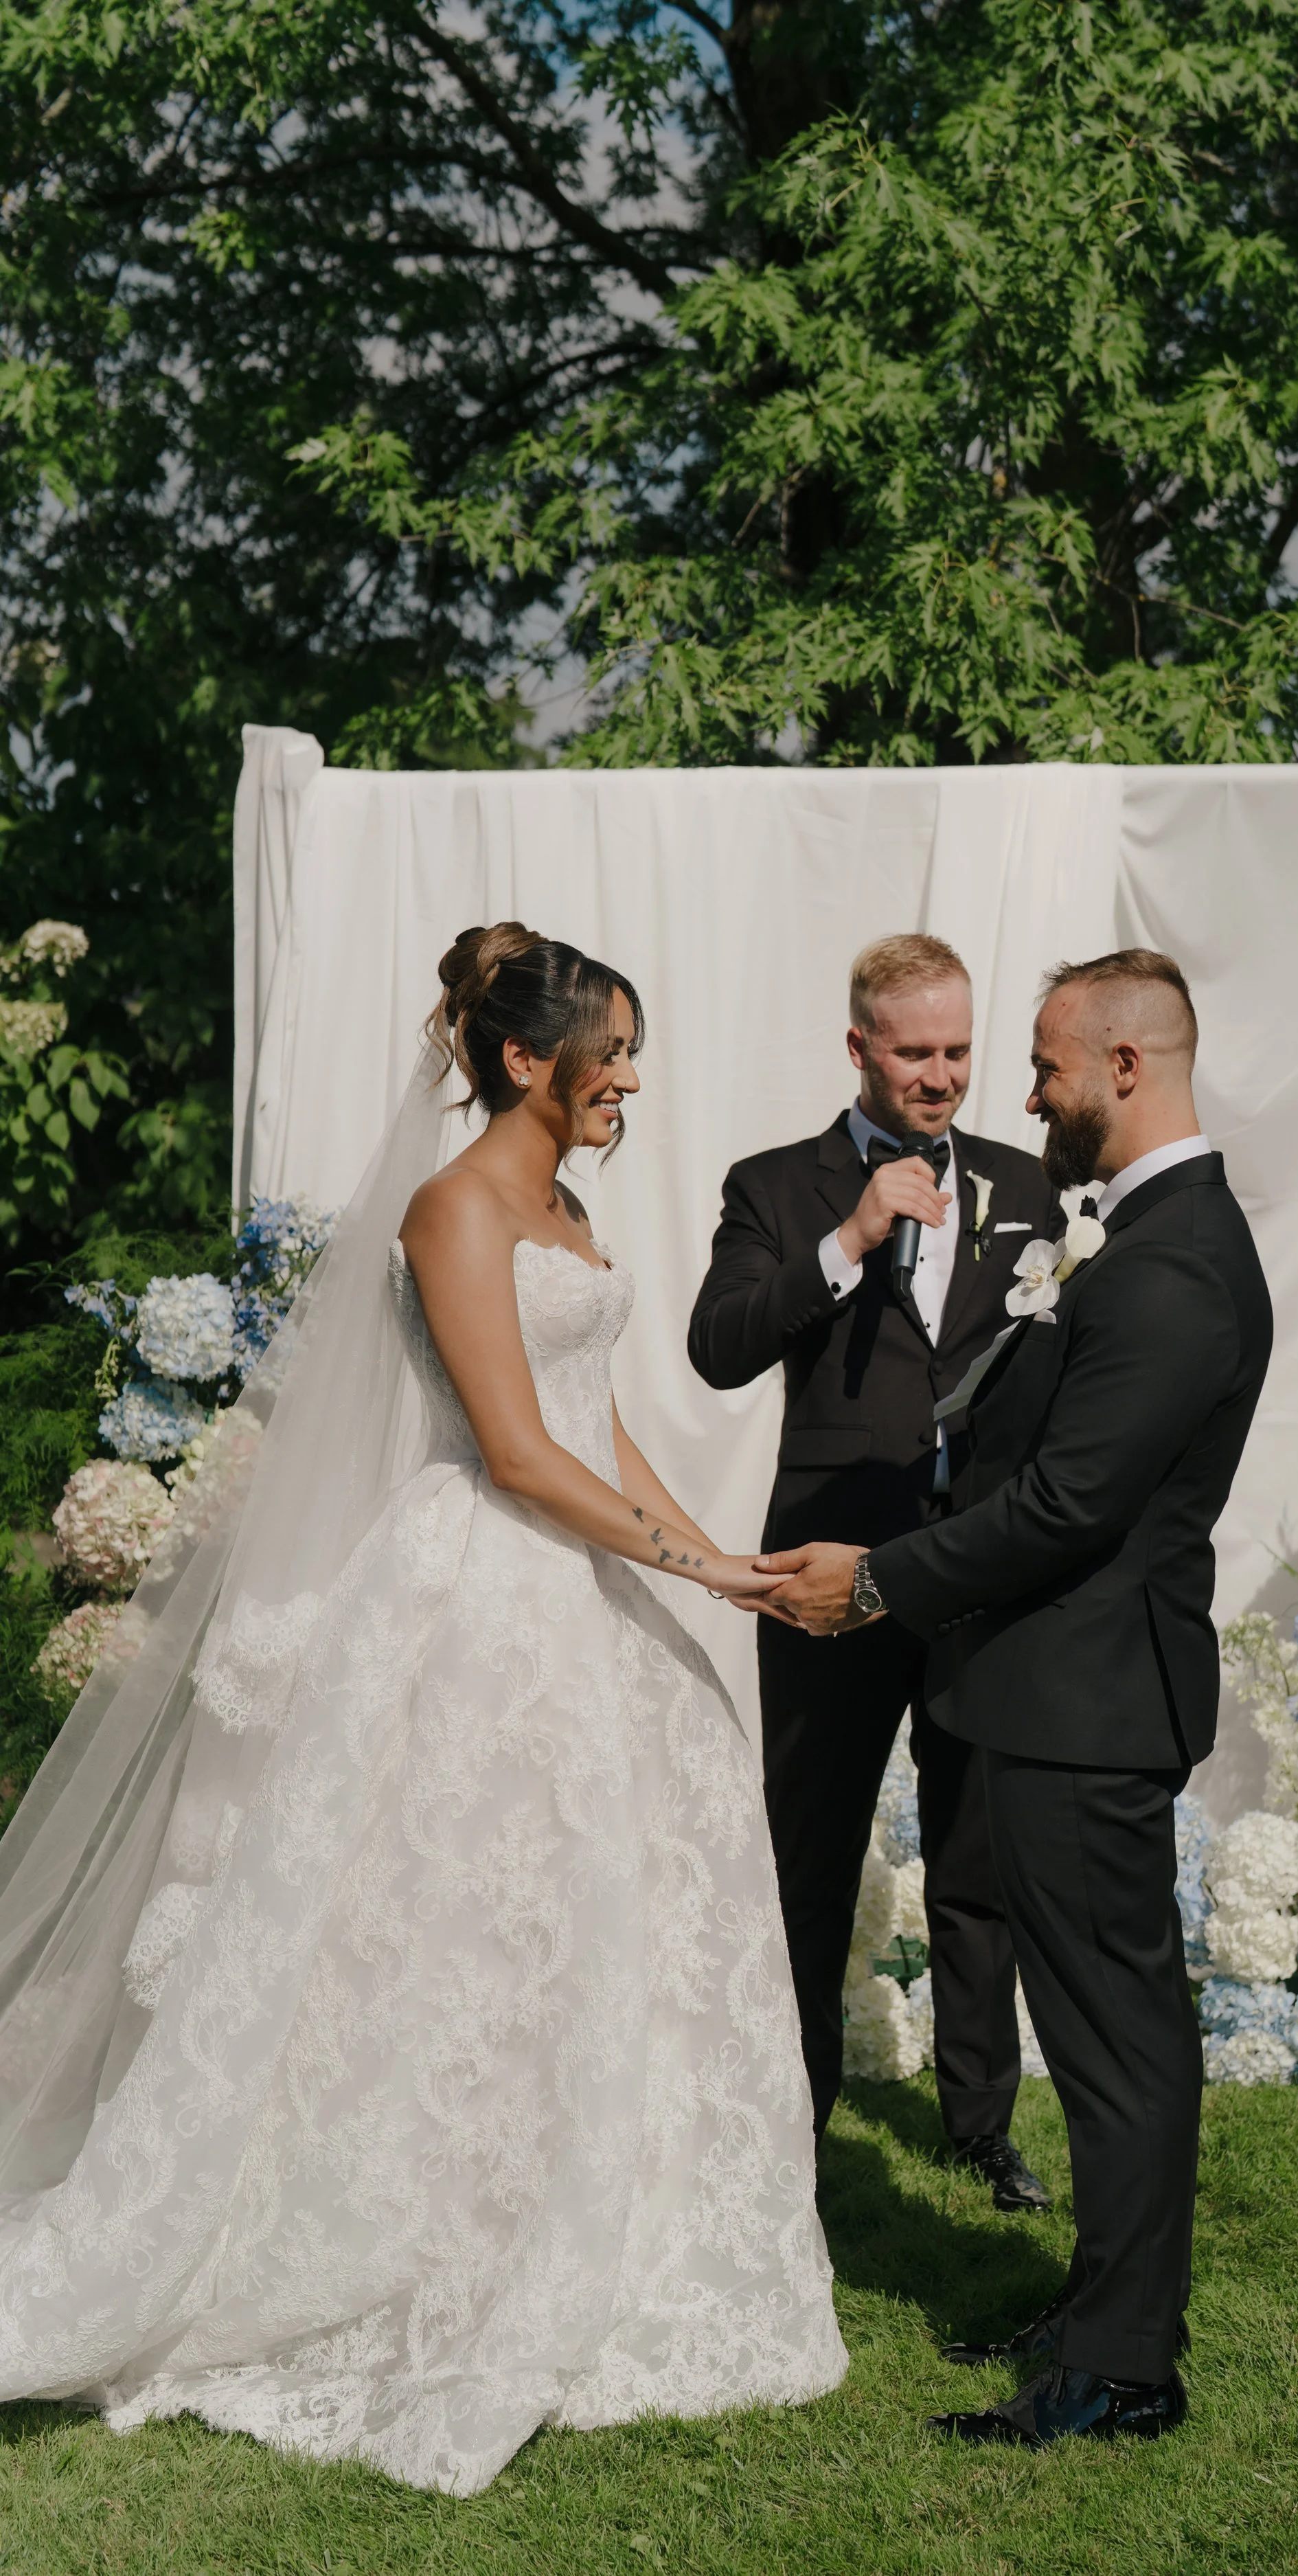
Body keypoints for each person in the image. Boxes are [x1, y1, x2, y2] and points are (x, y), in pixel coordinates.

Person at [0, 924, 845, 2496]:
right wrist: (679, 1558)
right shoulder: (451, 1210)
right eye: (616, 1054)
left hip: (584, 1578)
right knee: (466, 1923)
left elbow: (597, 1424)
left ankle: (622, 2209)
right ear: (527, 1060)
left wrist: (713, 1566)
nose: (634, 1081)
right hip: (486, 1599)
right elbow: (520, 1455)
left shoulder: (567, 1206)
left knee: (620, 1899)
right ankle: (436, 2233)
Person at [758, 948, 1273, 2450]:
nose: (1025, 1094)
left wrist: (870, 1583)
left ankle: (1121, 2368)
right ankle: (1099, 2312)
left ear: (1126, 1066)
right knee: (1108, 2032)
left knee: (1114, 2044)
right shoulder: (1134, 1233)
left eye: (1044, 1065)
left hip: (1085, 1705)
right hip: (1049, 1695)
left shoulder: (1175, 1260)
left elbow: (1065, 1507)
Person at [688, 935, 1060, 2207]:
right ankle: (790, 2121)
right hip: (822, 1573)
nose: (944, 1074)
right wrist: (848, 1236)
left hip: (976, 1571)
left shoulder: (1028, 1187)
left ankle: (982, 2124)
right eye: (916, 1051)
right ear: (859, 1048)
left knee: (977, 1855)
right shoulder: (777, 1186)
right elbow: (718, 1347)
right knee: (810, 1848)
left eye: (960, 1048)